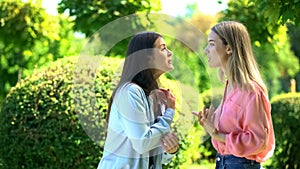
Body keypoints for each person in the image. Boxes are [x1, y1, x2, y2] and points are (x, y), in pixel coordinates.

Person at [193, 21, 275, 169]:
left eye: (211, 44)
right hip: (223, 163)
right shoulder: (229, 86)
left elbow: (259, 140)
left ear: (229, 48)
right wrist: (210, 125)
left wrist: (218, 135)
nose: (206, 50)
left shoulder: (252, 91)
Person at [97, 31, 179, 169]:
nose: (170, 53)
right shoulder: (130, 92)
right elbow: (142, 143)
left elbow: (154, 152)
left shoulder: (156, 97)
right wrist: (170, 112)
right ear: (147, 58)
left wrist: (171, 150)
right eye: (163, 48)